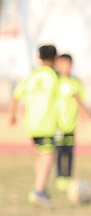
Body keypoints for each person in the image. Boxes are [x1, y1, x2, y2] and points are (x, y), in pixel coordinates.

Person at [9, 44, 60, 206]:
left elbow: (17, 95)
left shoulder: (32, 75)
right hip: (47, 122)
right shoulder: (54, 76)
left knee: (41, 154)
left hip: (31, 123)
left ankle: (41, 188)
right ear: (56, 58)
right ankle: (38, 190)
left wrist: (12, 115)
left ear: (38, 58)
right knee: (48, 155)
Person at [53, 53, 91, 192]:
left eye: (68, 64)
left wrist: (84, 114)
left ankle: (68, 177)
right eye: (62, 64)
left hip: (70, 124)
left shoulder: (76, 82)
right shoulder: (56, 81)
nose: (65, 67)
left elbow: (80, 99)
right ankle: (60, 177)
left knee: (69, 152)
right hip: (57, 124)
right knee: (59, 151)